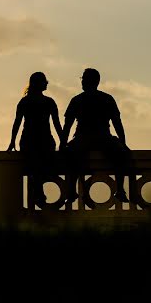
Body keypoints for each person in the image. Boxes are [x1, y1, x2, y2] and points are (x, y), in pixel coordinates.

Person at [60, 67, 131, 205]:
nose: (82, 82)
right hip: (103, 138)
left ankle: (71, 190)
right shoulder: (107, 99)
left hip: (82, 138)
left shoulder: (77, 100)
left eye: (83, 79)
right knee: (120, 155)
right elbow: (117, 123)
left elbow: (67, 126)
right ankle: (120, 189)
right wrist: (122, 142)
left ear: (87, 81)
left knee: (73, 156)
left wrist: (62, 144)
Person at [7, 71, 63, 207]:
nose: (47, 83)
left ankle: (38, 193)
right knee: (40, 166)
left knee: (35, 168)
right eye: (44, 81)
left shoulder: (25, 102)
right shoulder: (49, 102)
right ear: (39, 84)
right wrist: (63, 141)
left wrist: (13, 141)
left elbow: (17, 123)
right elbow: (57, 125)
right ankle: (39, 193)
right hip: (43, 141)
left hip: (29, 141)